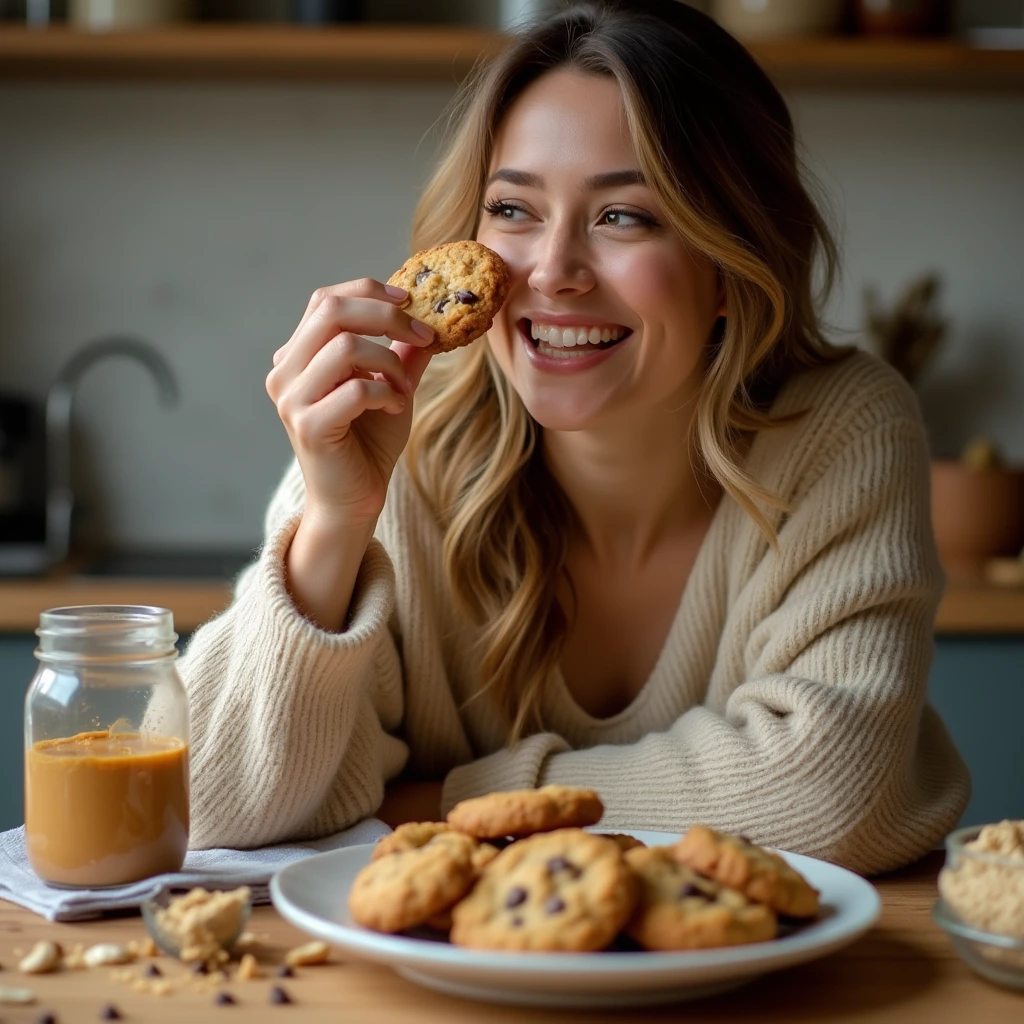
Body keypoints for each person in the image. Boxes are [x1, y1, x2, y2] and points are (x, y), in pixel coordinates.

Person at [180, 0, 969, 874]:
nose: (552, 272)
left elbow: (824, 793)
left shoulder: (842, 432)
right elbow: (205, 805)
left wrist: (451, 805)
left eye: (624, 216)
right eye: (512, 209)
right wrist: (334, 519)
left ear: (730, 259)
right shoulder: (398, 427)